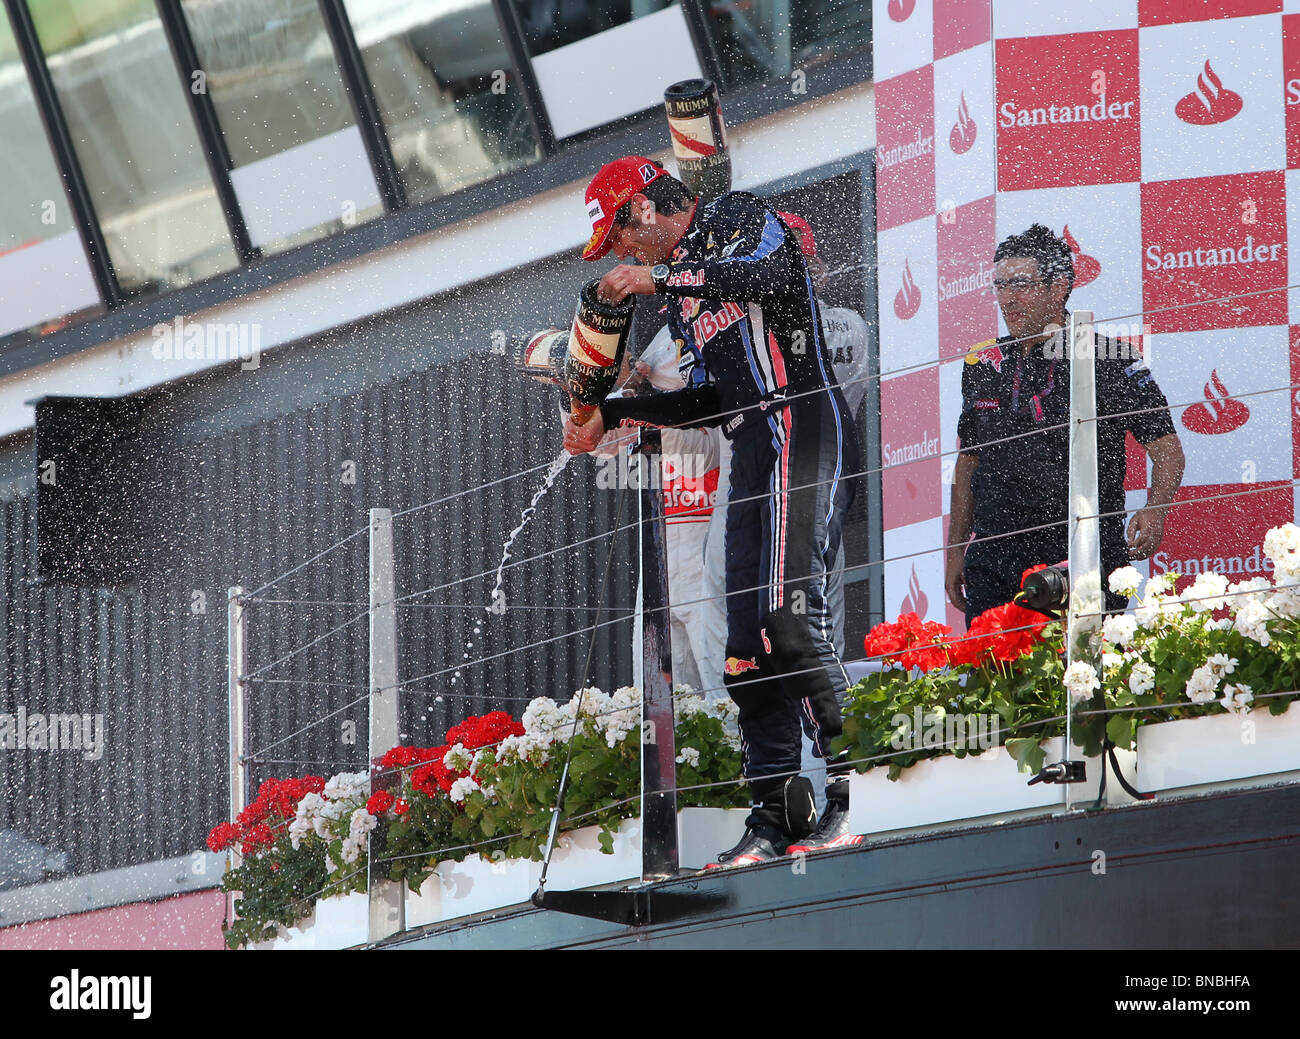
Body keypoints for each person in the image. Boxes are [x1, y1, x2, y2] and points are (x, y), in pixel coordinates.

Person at [562, 156, 862, 864]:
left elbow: (771, 276)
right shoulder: (679, 298)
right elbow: (710, 400)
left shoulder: (737, 215)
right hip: (747, 442)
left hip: (802, 420)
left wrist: (659, 276)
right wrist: (613, 414)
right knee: (746, 645)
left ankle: (856, 790)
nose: (626, 254)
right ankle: (774, 812)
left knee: (792, 617)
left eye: (622, 236)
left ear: (642, 207)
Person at [946, 224, 1185, 624]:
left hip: (1080, 550)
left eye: (1020, 284)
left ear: (1059, 287)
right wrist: (956, 550)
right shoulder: (982, 364)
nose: (1008, 298)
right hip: (994, 556)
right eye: (1000, 286)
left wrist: (1155, 511)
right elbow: (967, 463)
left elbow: (1167, 450)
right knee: (991, 681)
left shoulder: (1109, 357)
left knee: (1077, 679)